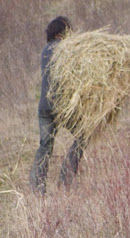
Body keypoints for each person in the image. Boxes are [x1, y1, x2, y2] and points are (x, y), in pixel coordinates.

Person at [30, 16, 85, 194]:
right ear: (63, 32)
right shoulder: (65, 48)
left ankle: (37, 188)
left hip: (45, 106)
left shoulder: (45, 50)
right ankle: (65, 179)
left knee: (45, 146)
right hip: (61, 105)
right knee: (83, 135)